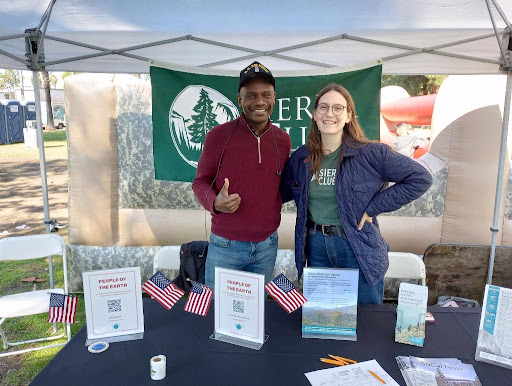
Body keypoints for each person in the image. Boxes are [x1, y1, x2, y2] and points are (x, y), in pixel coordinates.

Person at [281, 83, 432, 304]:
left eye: (337, 108)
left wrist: (374, 207)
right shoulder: (301, 158)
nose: (329, 113)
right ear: (314, 114)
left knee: (366, 322)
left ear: (349, 115)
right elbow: (280, 192)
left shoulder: (371, 154)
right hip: (315, 247)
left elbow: (420, 178)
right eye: (323, 107)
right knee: (323, 319)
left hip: (356, 246)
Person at [192, 61, 291, 289]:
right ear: (239, 99)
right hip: (226, 246)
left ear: (274, 98)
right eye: (251, 95)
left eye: (266, 95)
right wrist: (214, 202)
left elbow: (282, 187)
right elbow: (200, 182)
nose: (259, 102)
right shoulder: (218, 136)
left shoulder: (283, 140)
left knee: (255, 316)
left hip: (267, 245)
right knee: (219, 315)